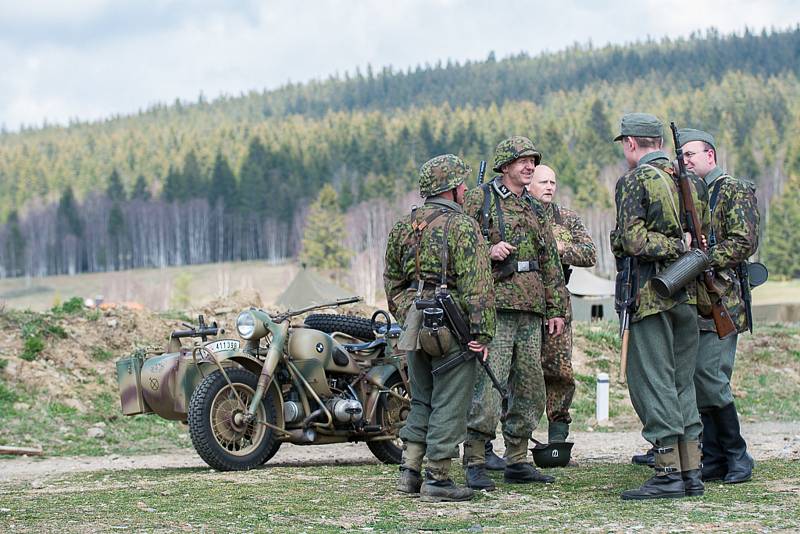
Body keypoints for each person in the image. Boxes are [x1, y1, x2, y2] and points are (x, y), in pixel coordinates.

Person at [384, 154, 496, 502]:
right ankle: (438, 478)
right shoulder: (463, 226)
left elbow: (392, 280)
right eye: (462, 184)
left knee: (422, 398)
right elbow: (479, 286)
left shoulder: (405, 226)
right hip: (453, 329)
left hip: (415, 327)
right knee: (450, 401)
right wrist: (481, 335)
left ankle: (409, 472)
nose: (466, 189)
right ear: (452, 189)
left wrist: (409, 312)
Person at [610, 113, 710, 500]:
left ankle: (667, 472)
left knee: (653, 381)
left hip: (651, 295)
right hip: (686, 293)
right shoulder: (691, 183)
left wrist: (667, 246)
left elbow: (633, 242)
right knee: (681, 383)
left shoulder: (636, 180)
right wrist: (682, 246)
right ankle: (691, 471)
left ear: (631, 144)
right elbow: (700, 239)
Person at [461, 136, 566, 491]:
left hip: (531, 308)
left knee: (530, 386)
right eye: (522, 161)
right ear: (505, 165)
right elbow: (459, 243)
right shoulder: (481, 199)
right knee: (489, 385)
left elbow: (550, 260)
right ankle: (475, 457)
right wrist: (487, 250)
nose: (529, 166)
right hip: (495, 307)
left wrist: (556, 308)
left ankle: (517, 458)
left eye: (533, 161)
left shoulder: (536, 208)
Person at [678, 128, 759, 484]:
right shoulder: (689, 194)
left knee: (712, 378)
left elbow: (744, 242)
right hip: (697, 301)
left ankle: (737, 454)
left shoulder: (732, 189)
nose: (686, 161)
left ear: (710, 156)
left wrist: (703, 258)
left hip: (724, 299)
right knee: (698, 378)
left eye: (692, 154)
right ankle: (713, 457)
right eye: (682, 156)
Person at [529, 164, 596, 448]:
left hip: (558, 300)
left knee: (559, 369)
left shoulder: (565, 219)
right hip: (524, 300)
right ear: (528, 183)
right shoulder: (518, 216)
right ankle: (516, 437)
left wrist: (558, 248)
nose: (549, 187)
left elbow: (589, 253)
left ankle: (558, 435)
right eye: (543, 182)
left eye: (553, 182)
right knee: (520, 370)